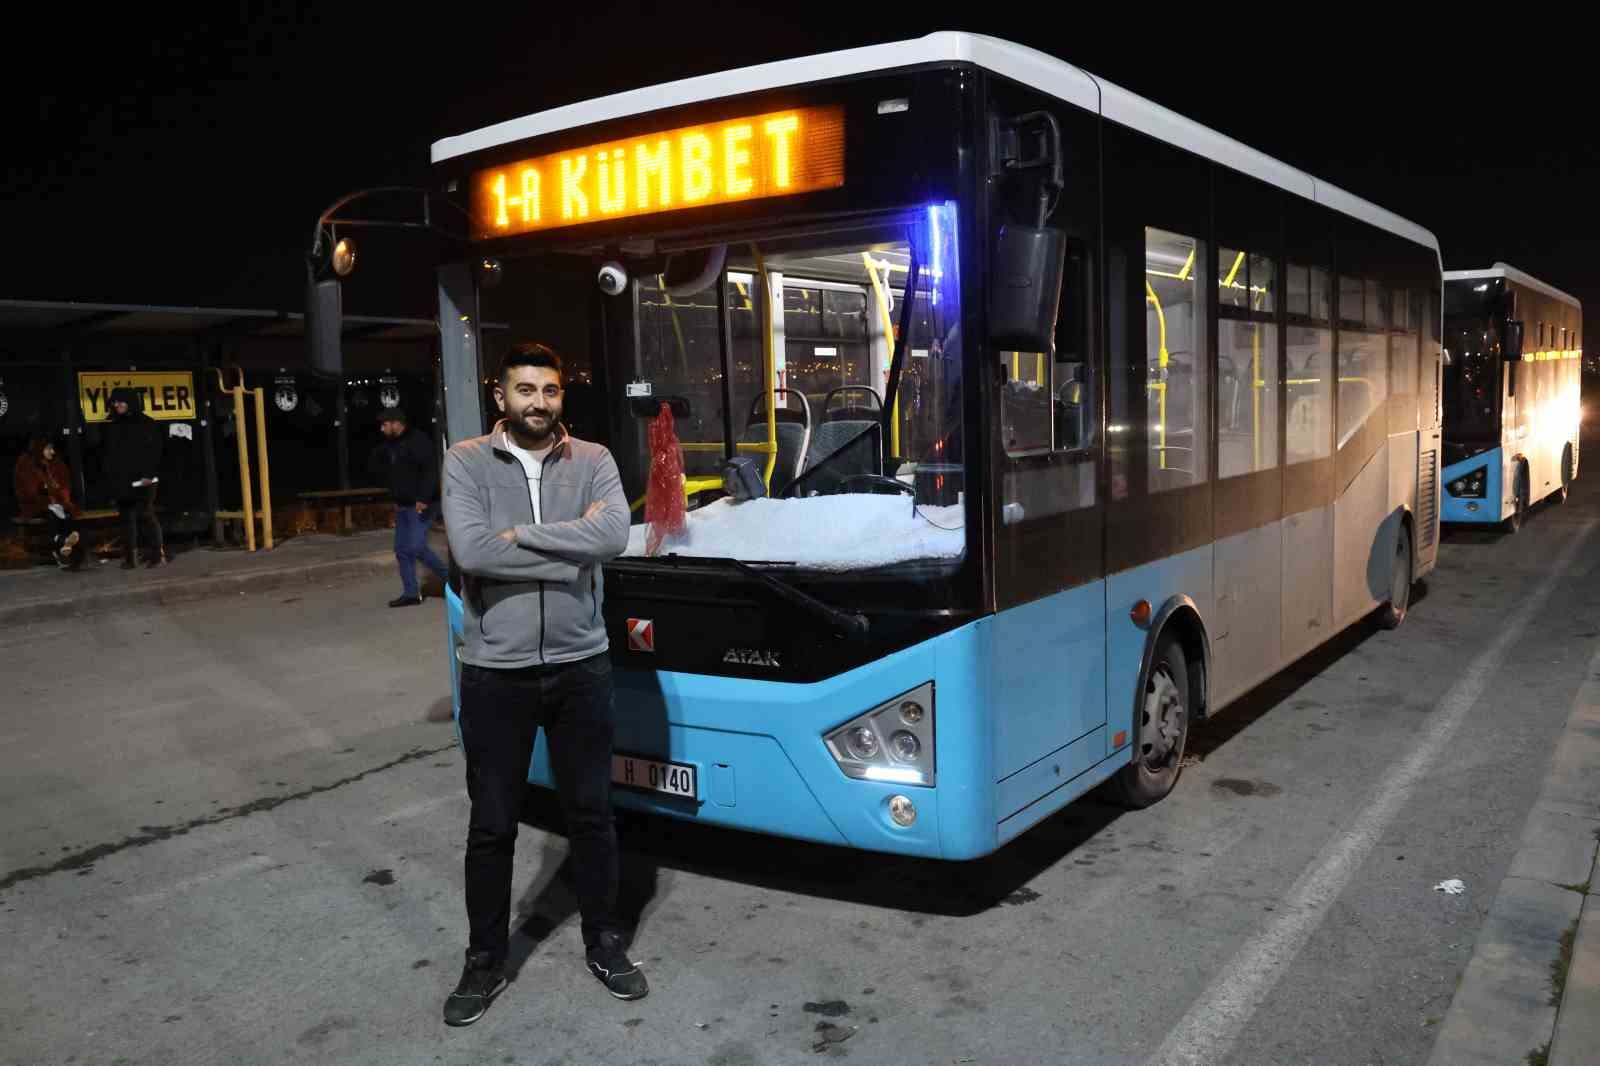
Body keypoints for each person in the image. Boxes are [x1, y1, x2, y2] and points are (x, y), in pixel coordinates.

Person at [439, 342, 637, 1027]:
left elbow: (613, 535)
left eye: (549, 391)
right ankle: (485, 959)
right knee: (492, 825)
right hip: (497, 671)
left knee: (592, 816)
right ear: (501, 397)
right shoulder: (465, 460)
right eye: (525, 390)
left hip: (582, 663)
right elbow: (470, 551)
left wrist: (520, 535)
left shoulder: (595, 461)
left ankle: (606, 943)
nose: (539, 403)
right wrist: (566, 546)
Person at [368, 408, 447, 607]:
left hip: (422, 504)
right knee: (402, 550)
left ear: (397, 423)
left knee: (417, 547)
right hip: (403, 505)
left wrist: (423, 498)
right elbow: (393, 474)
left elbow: (430, 471)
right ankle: (411, 593)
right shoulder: (390, 445)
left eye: (385, 424)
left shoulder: (418, 441)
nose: (382, 428)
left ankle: (454, 581)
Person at [103, 387, 166, 568]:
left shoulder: (146, 423)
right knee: (127, 519)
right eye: (114, 402)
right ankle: (130, 558)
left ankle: (156, 554)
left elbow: (155, 451)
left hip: (144, 479)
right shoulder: (114, 424)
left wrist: (149, 474)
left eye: (120, 402)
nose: (117, 405)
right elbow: (110, 454)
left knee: (146, 514)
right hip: (123, 480)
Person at [13, 436, 84, 569]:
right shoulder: (26, 463)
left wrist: (57, 494)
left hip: (57, 502)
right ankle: (65, 546)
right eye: (49, 449)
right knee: (53, 514)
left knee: (66, 514)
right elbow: (30, 491)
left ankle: (65, 546)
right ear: (40, 450)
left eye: (52, 449)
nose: (53, 452)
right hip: (34, 504)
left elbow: (65, 484)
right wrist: (48, 491)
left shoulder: (56, 463)